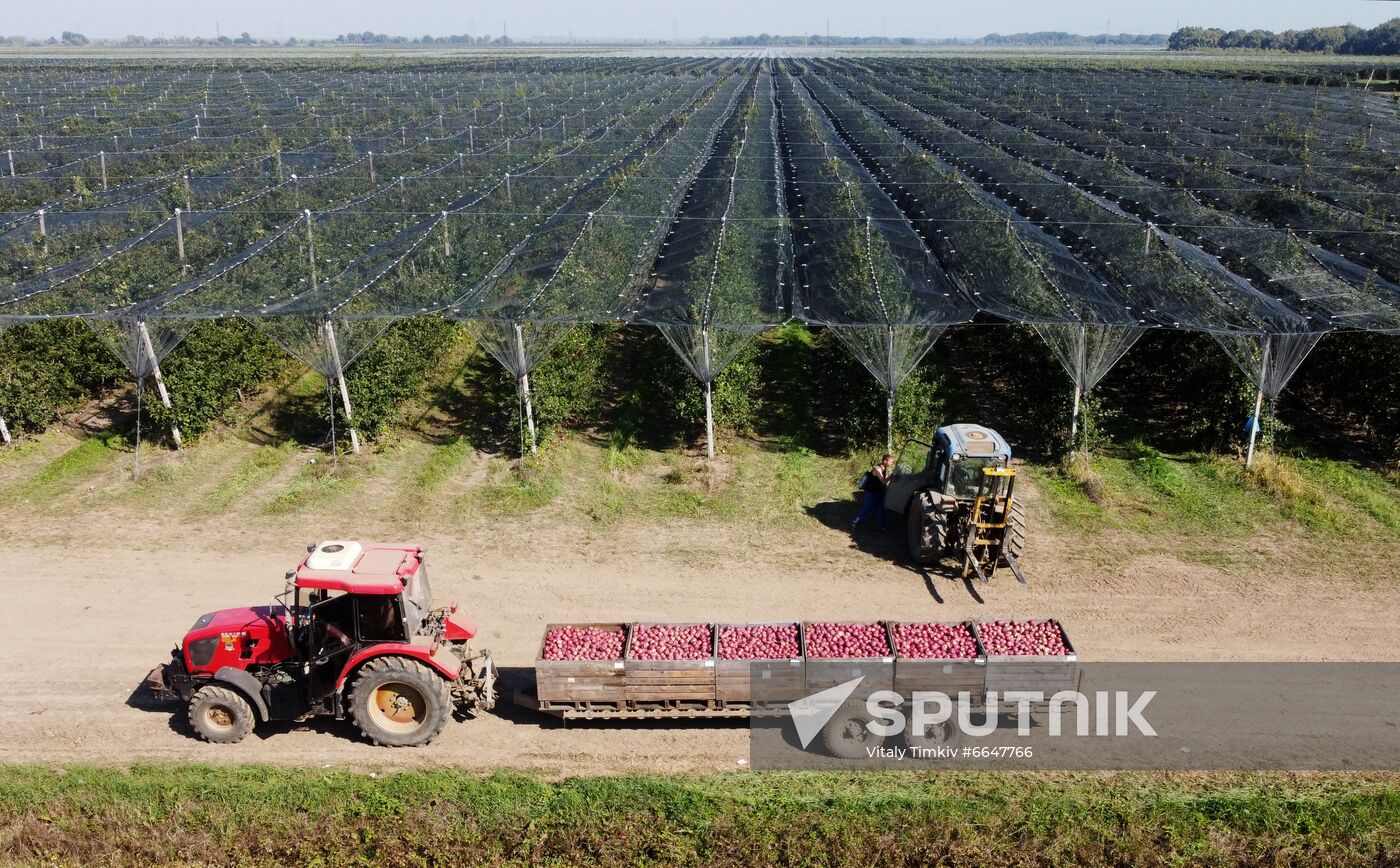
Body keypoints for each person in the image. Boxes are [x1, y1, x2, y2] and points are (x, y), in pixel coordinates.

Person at [853, 453, 893, 530]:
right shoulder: (877, 469)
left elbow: (884, 483)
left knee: (881, 509)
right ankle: (854, 522)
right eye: (890, 461)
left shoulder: (884, 469)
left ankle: (882, 526)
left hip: (878, 493)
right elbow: (883, 481)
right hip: (871, 493)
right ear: (885, 461)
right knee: (866, 509)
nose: (892, 463)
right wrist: (892, 474)